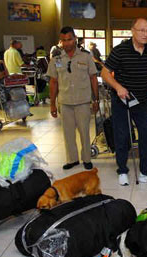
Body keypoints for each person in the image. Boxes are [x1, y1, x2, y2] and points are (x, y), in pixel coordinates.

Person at [101, 18, 147, 186]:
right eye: (142, 30)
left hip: (142, 100)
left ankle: (145, 170)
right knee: (122, 136)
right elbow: (105, 73)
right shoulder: (120, 50)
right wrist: (118, 87)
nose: (145, 34)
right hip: (121, 100)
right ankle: (122, 170)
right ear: (133, 31)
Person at [47, 26, 99, 171]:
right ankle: (72, 159)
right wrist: (52, 104)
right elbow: (53, 82)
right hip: (65, 102)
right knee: (68, 133)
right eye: (63, 40)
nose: (67, 43)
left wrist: (96, 99)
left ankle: (87, 159)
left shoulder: (86, 56)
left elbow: (93, 78)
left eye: (69, 39)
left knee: (84, 132)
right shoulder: (57, 59)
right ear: (60, 41)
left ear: (75, 39)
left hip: (83, 101)